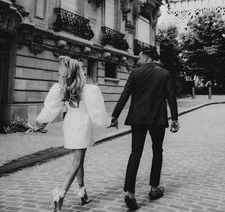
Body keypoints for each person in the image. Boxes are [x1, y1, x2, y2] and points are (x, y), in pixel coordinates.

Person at [34, 56, 108, 211]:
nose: (58, 76)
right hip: (83, 125)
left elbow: (51, 109)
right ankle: (60, 195)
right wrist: (107, 122)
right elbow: (97, 112)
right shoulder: (88, 89)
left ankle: (82, 192)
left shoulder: (61, 89)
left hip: (70, 125)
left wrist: (41, 122)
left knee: (79, 159)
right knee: (77, 162)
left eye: (60, 73)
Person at [109, 48, 179, 210]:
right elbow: (171, 97)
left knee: (135, 152)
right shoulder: (164, 74)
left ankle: (129, 192)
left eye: (140, 56)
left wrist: (115, 115)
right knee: (157, 151)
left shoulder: (135, 73)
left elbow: (125, 94)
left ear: (147, 57)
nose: (138, 59)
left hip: (138, 118)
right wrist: (175, 118)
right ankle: (154, 188)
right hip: (157, 119)